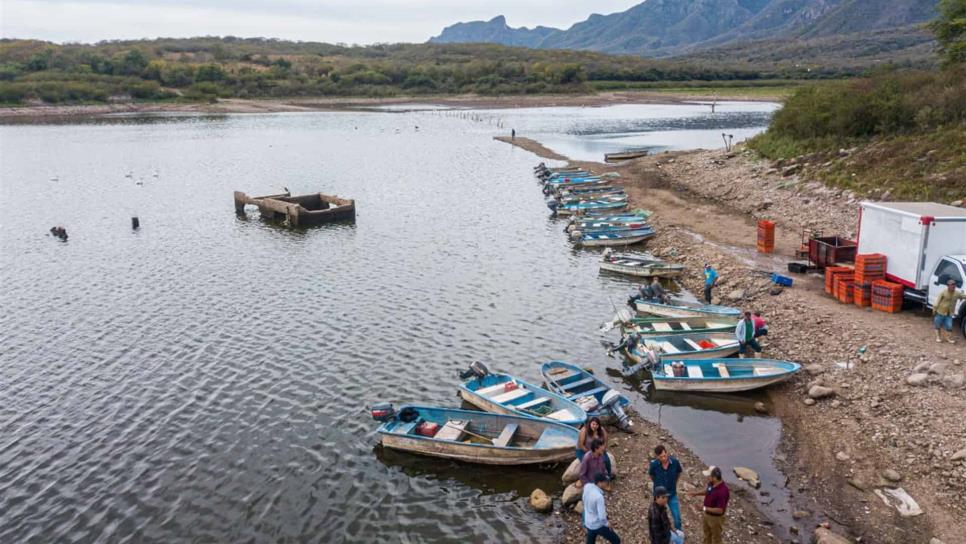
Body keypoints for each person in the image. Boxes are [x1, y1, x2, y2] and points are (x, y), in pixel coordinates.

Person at [687, 466, 730, 544]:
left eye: (709, 476)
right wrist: (696, 493)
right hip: (707, 515)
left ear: (715, 477)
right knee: (707, 535)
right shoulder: (712, 483)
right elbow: (707, 491)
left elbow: (720, 510)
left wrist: (704, 508)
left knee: (716, 538)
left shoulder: (723, 491)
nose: (707, 477)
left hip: (716, 519)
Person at [648, 444, 683, 531]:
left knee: (677, 517)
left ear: (667, 453)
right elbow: (651, 475)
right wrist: (657, 484)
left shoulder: (675, 462)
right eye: (660, 457)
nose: (663, 458)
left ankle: (679, 532)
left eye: (664, 456)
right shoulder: (654, 465)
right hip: (659, 496)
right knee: (659, 517)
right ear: (657, 457)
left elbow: (678, 473)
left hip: (672, 494)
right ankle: (663, 533)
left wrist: (674, 483)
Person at [583, 472, 621, 543]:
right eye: (605, 481)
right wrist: (607, 523)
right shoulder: (599, 497)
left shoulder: (587, 486)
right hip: (597, 524)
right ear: (599, 483)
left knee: (590, 542)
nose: (606, 483)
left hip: (588, 522)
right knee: (616, 540)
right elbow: (602, 517)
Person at [933, 278, 965, 344]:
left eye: (954, 284)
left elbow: (963, 296)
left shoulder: (957, 293)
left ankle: (948, 338)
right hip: (940, 312)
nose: (953, 286)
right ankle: (938, 337)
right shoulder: (943, 292)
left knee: (949, 326)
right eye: (952, 285)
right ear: (948, 285)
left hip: (949, 313)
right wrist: (934, 310)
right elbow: (937, 301)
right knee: (937, 325)